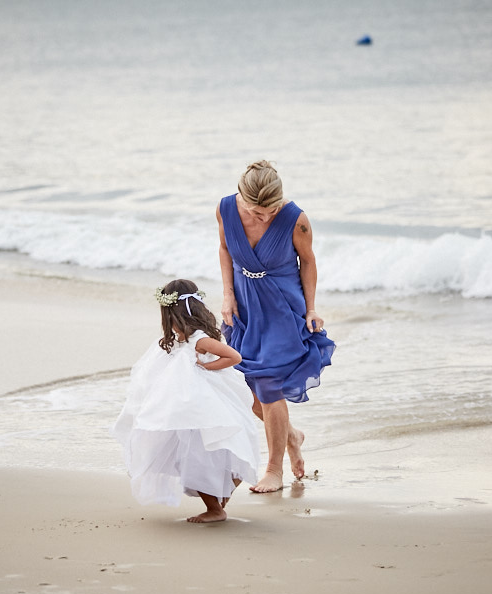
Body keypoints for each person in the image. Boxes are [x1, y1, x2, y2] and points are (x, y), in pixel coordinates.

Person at [217, 160, 335, 493]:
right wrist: (227, 295)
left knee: (269, 386)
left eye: (271, 211)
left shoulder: (296, 219)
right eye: (257, 212)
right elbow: (226, 248)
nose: (265, 218)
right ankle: (292, 436)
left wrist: (311, 308)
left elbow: (308, 261)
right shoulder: (225, 210)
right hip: (245, 307)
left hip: (283, 307)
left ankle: (274, 470)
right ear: (241, 198)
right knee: (245, 386)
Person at [111, 279, 259, 523]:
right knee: (190, 456)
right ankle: (217, 504)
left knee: (201, 455)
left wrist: (206, 366)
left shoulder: (198, 340)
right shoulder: (181, 342)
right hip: (186, 407)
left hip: (204, 405)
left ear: (177, 314)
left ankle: (216, 507)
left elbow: (233, 356)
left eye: (168, 317)